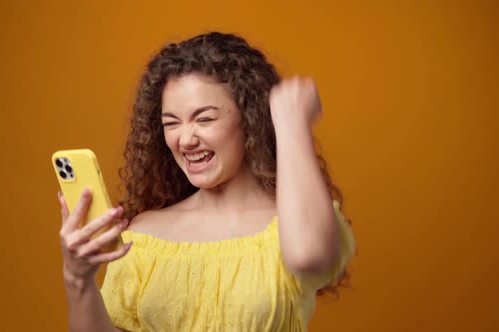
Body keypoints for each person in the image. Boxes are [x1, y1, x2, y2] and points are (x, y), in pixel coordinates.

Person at [57, 31, 355, 332]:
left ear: (250, 119)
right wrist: (77, 278)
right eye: (171, 123)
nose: (185, 140)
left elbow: (310, 257)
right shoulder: (143, 237)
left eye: (205, 119)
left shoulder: (296, 226)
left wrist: (290, 123)